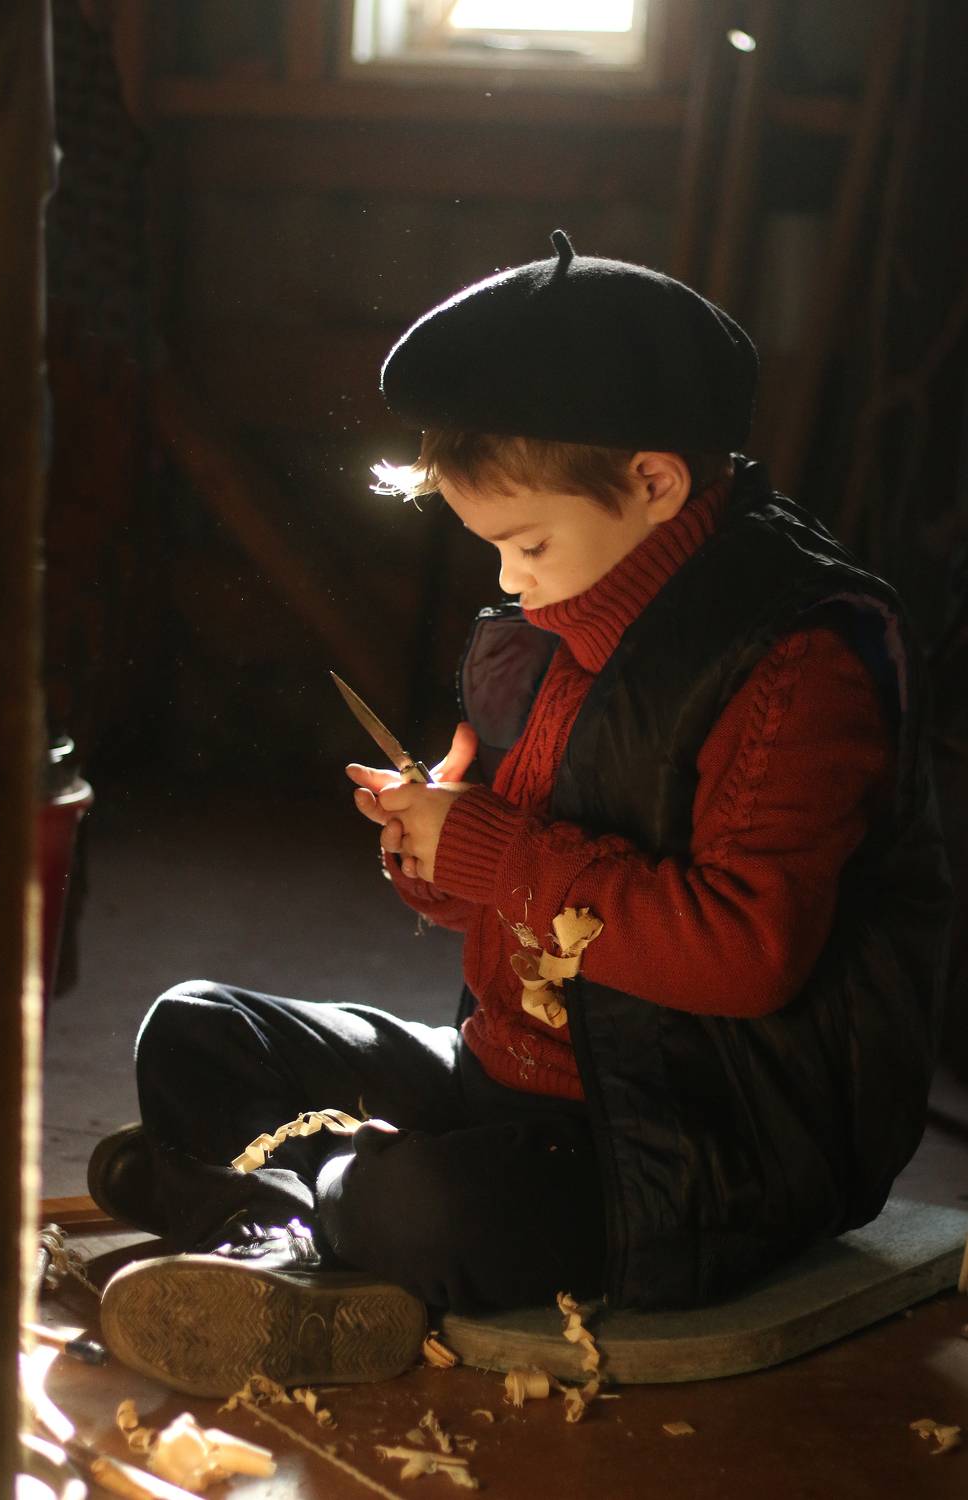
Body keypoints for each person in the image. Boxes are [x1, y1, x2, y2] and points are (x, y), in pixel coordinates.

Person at [90, 230, 951, 1397]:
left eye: (527, 542)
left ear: (654, 483)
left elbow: (749, 952)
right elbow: (519, 893)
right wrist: (437, 847)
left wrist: (492, 854)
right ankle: (288, 1228)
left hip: (695, 1147)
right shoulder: (558, 618)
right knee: (196, 1028)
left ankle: (260, 1208)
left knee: (416, 1203)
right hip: (512, 1081)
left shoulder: (800, 660)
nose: (507, 579)